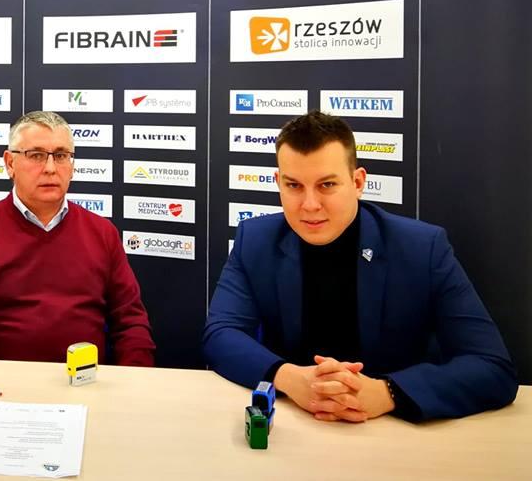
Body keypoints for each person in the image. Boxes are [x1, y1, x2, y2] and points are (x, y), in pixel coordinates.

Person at [204, 111, 517, 421]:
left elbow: (492, 366)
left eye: (327, 185)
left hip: (393, 431)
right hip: (293, 422)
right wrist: (289, 378)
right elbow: (220, 334)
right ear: (278, 183)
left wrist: (387, 393)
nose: (310, 205)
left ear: (357, 182)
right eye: (294, 186)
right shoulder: (255, 240)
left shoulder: (423, 248)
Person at [0, 111, 155, 365]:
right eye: (36, 155)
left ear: (72, 165)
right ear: (10, 163)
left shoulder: (102, 233)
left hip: (88, 382)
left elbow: (131, 325)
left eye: (61, 155)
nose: (50, 168)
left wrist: (132, 380)